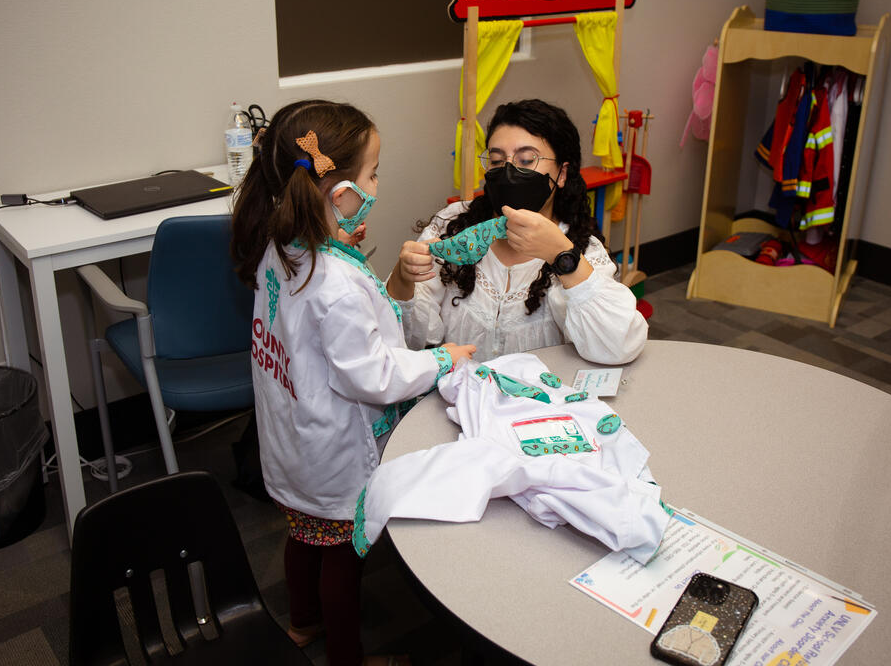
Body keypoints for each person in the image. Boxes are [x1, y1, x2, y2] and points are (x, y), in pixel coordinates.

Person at [230, 99, 475, 666]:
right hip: (331, 450)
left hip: (293, 443)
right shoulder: (334, 283)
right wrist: (442, 360)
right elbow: (374, 373)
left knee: (302, 536)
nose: (376, 184)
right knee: (342, 554)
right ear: (339, 192)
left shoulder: (283, 248)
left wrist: (340, 244)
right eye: (371, 174)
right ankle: (347, 657)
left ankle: (302, 622)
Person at [386, 99, 647, 364]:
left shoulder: (579, 247)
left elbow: (618, 347)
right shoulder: (453, 226)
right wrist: (402, 278)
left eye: (526, 159)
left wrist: (562, 257)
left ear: (562, 173)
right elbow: (405, 341)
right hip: (461, 397)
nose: (509, 171)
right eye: (497, 161)